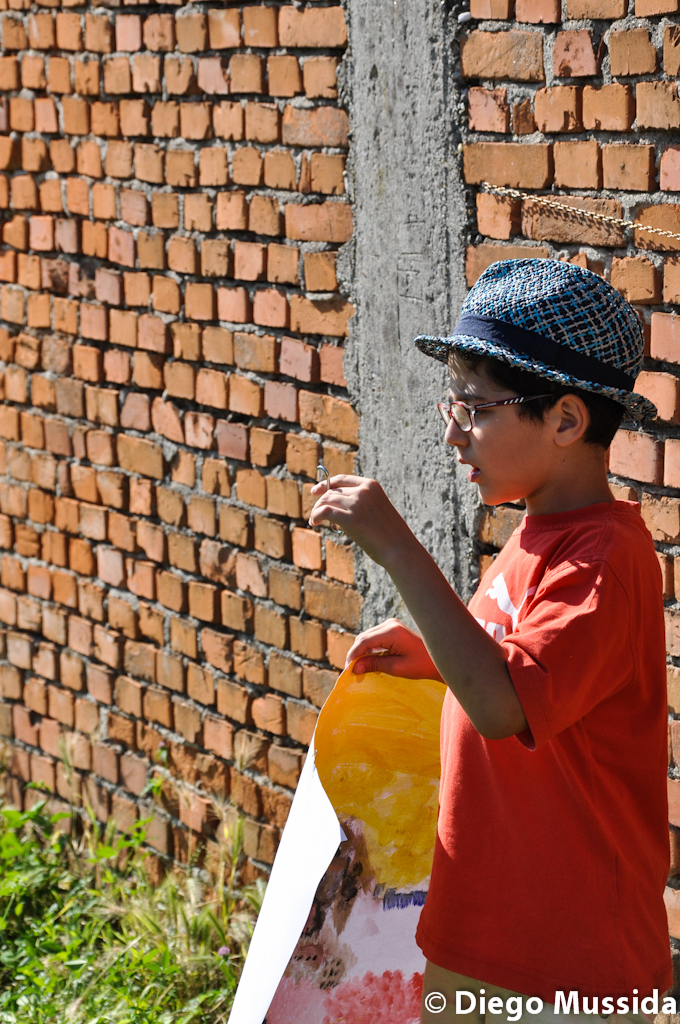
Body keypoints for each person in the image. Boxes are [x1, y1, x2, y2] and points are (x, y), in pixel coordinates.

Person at [308, 259, 672, 1024]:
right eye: (454, 403)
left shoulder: (604, 560)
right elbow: (521, 674)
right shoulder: (536, 533)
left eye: (475, 408)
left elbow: (506, 705)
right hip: (480, 940)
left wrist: (397, 547)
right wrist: (438, 661)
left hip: (572, 968)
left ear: (566, 422)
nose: (452, 430)